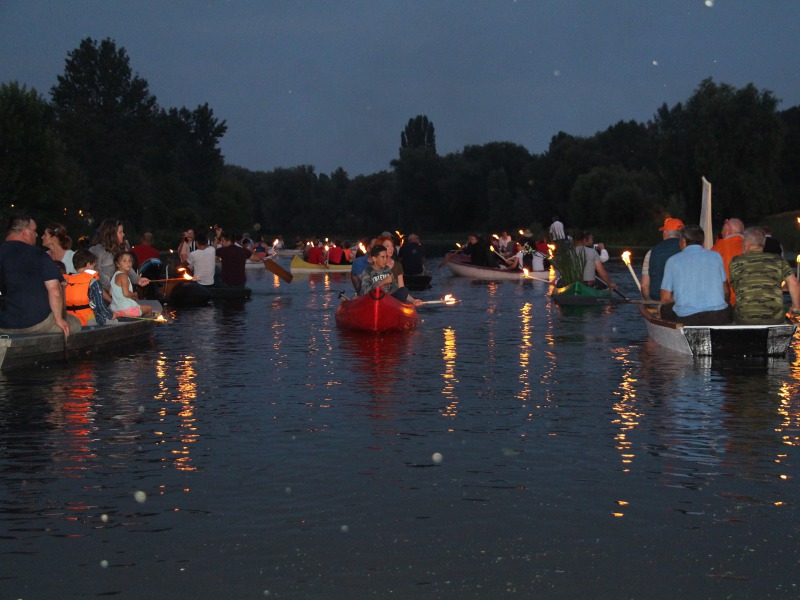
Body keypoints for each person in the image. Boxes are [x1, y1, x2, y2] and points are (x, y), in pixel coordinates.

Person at [0, 215, 80, 336]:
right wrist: (59, 319)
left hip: (4, 324)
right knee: (75, 323)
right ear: (25, 232)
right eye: (34, 230)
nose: (37, 235)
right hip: (36, 322)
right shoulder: (38, 255)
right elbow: (55, 290)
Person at [660, 224, 731, 325]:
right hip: (718, 316)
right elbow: (726, 291)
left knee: (664, 308)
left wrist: (676, 298)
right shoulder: (716, 256)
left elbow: (665, 298)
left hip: (689, 318)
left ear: (684, 241)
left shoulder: (672, 261)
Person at [729, 226, 800, 324]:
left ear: (746, 243)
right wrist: (796, 307)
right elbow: (794, 283)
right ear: (763, 243)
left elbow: (735, 287)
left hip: (744, 318)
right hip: (774, 319)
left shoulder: (735, 261)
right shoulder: (778, 260)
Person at [89, 219, 150, 295]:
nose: (123, 234)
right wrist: (114, 289)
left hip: (118, 293)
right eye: (120, 232)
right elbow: (96, 273)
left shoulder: (120, 250)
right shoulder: (96, 250)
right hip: (102, 295)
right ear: (111, 234)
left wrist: (138, 280)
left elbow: (127, 268)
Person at [63, 249, 115, 326]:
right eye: (93, 266)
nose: (94, 269)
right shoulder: (93, 281)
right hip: (88, 320)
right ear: (88, 265)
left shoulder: (65, 281)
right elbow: (100, 306)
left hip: (71, 320)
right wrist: (112, 315)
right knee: (114, 321)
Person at [641, 218, 684, 301]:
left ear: (666, 233)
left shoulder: (651, 252)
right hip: (681, 300)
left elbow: (644, 285)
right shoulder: (687, 251)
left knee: (641, 307)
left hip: (657, 299)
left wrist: (650, 302)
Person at [711, 217, 745, 304]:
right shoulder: (749, 246)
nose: (721, 233)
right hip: (746, 299)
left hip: (726, 300)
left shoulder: (718, 248)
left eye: (722, 230)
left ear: (728, 231)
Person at [110, 251, 153, 317]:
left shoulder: (114, 275)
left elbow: (110, 292)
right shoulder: (124, 276)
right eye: (124, 261)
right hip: (126, 309)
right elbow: (126, 294)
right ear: (117, 264)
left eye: (130, 261)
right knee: (149, 308)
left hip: (115, 309)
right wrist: (134, 294)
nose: (128, 263)